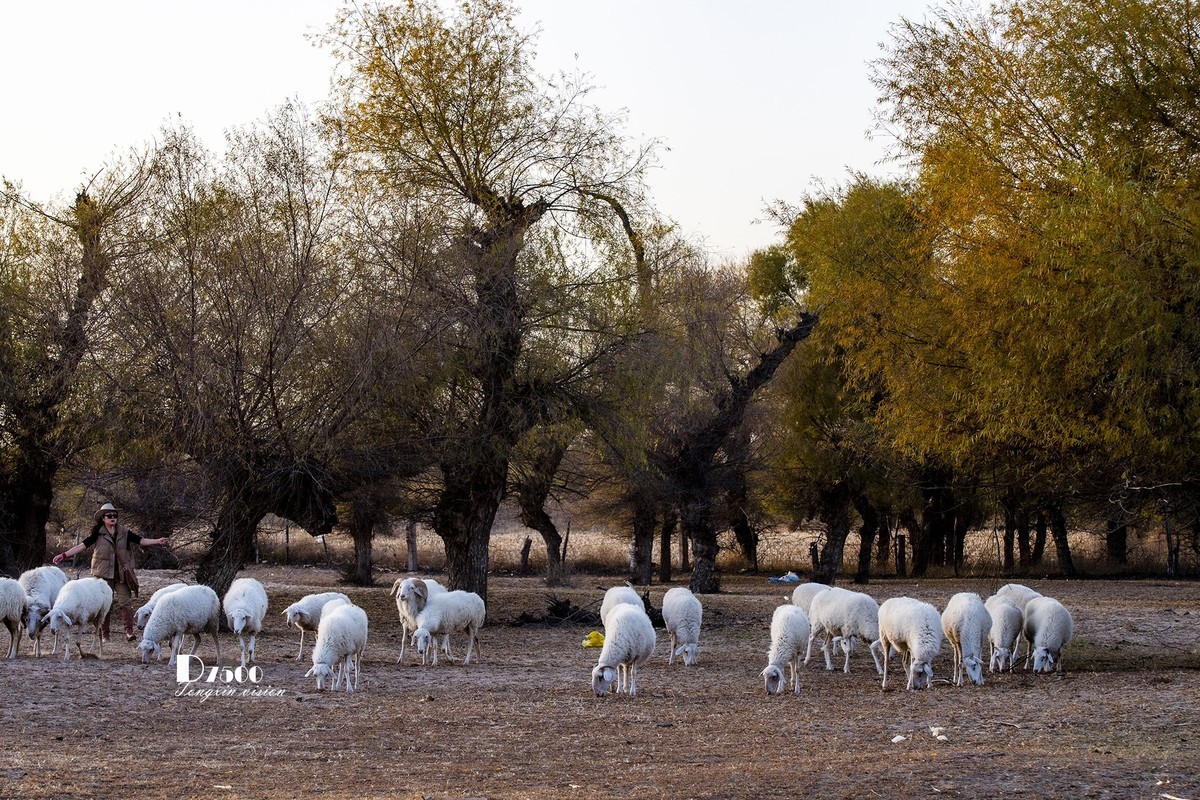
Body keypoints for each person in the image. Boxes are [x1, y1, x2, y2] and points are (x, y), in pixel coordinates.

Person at [52, 502, 169, 642]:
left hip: (121, 574)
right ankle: (105, 634)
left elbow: (141, 540)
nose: (113, 518)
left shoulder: (124, 532)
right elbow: (81, 546)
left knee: (125, 602)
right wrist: (64, 555)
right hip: (102, 575)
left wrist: (157, 541)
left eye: (115, 515)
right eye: (109, 516)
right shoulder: (97, 534)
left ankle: (129, 631)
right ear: (103, 518)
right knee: (106, 603)